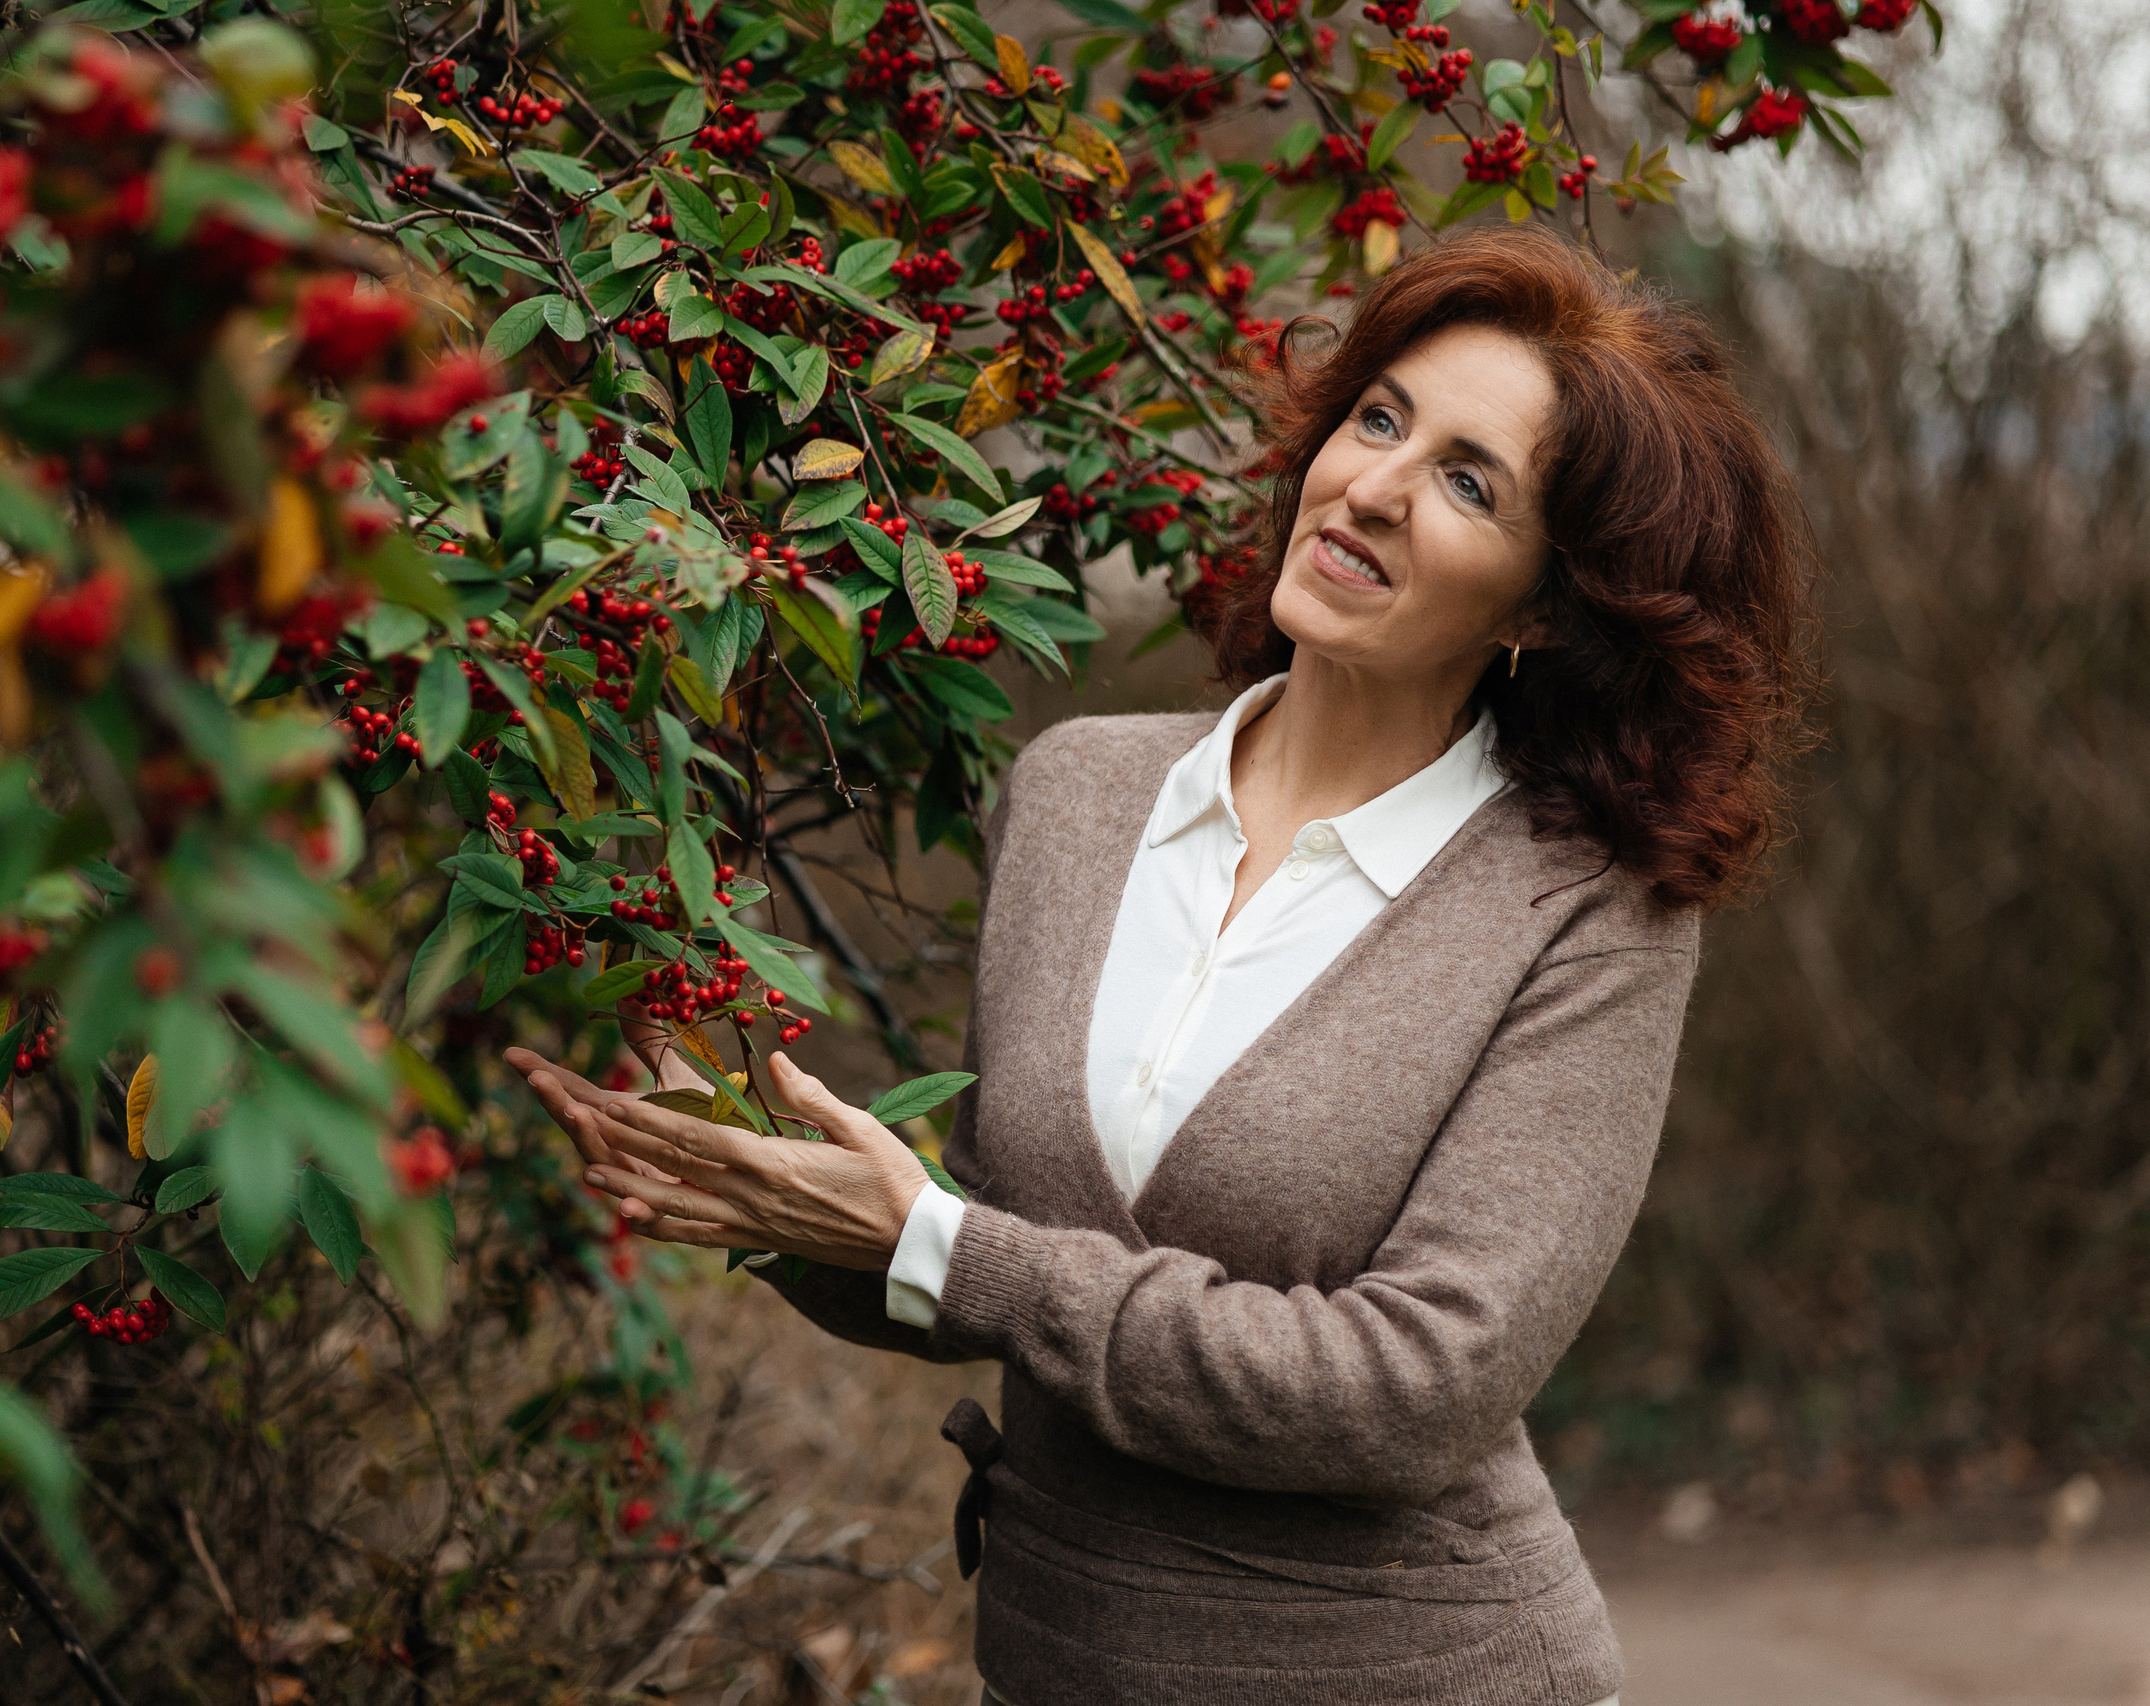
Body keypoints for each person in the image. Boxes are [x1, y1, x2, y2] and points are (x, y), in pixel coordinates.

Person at [508, 225, 1817, 1706]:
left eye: (1468, 480)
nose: (1375, 488)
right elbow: (1002, 1249)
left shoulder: (1584, 910)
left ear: (1540, 605)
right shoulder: (1080, 792)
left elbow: (1415, 1389)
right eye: (1377, 418)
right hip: (1053, 1661)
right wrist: (762, 1193)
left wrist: (939, 1239)